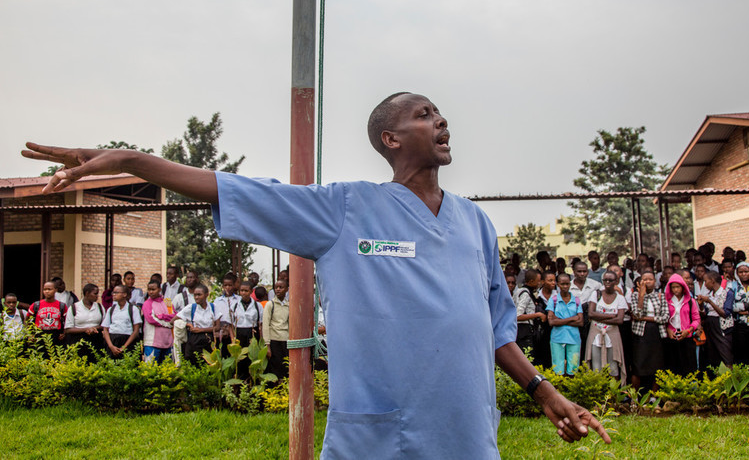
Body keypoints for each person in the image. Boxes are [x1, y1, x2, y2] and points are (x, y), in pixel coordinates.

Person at [23, 92, 610, 457]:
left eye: (441, 111)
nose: (442, 119)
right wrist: (130, 160)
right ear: (392, 137)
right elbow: (231, 187)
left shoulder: (475, 224)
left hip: (465, 433)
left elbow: (496, 329)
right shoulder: (345, 209)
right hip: (378, 437)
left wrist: (546, 392)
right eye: (424, 113)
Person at [629, 272, 667, 391]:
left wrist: (645, 318)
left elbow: (665, 317)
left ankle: (653, 397)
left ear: (655, 282)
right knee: (638, 367)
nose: (648, 282)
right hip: (641, 336)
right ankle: (635, 398)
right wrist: (642, 295)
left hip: (656, 334)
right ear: (640, 282)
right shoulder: (635, 295)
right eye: (645, 279)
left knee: (656, 366)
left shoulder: (661, 296)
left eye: (650, 279)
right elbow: (636, 313)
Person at [586, 271, 627, 383]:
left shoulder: (620, 298)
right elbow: (590, 314)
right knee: (596, 366)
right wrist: (611, 316)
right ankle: (598, 392)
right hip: (596, 334)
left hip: (612, 335)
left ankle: (612, 394)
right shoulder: (596, 294)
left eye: (610, 280)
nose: (607, 282)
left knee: (613, 367)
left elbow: (619, 320)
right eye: (605, 280)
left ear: (616, 282)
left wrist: (598, 317)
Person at [663, 273, 700, 376]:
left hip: (686, 337)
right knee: (673, 367)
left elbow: (696, 319)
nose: (676, 290)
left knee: (688, 367)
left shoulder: (690, 302)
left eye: (678, 287)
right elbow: (663, 318)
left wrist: (688, 331)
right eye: (673, 287)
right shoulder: (666, 301)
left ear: (683, 287)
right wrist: (668, 329)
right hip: (671, 337)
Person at [696, 271, 734, 372]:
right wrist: (701, 305)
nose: (705, 284)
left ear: (712, 281)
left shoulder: (727, 293)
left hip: (721, 326)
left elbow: (725, 313)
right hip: (710, 324)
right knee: (712, 355)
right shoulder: (709, 294)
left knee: (725, 354)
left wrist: (710, 302)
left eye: (706, 281)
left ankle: (730, 380)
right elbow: (705, 314)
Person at [175, 284, 221, 365]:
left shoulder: (213, 307)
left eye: (199, 295)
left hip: (209, 340)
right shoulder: (191, 308)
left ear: (207, 295)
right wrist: (188, 325)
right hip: (194, 340)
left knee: (209, 364)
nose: (196, 297)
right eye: (195, 295)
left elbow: (217, 327)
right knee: (194, 363)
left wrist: (201, 330)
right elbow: (174, 320)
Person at [547, 273, 583, 377]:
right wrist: (572, 318)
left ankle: (571, 392)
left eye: (567, 284)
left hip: (574, 338)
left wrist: (560, 320)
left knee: (573, 368)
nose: (565, 286)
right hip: (557, 338)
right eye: (562, 284)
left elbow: (580, 322)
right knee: (558, 369)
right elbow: (551, 322)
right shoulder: (553, 300)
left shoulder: (576, 300)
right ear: (558, 284)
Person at [64, 283, 105, 360]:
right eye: (95, 294)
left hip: (96, 340)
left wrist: (94, 328)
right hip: (79, 341)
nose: (97, 296)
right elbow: (68, 329)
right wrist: (86, 329)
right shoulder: (74, 307)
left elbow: (105, 325)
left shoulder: (99, 307)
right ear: (87, 293)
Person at [730, 261, 749, 368]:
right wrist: (747, 306)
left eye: (746, 271)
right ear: (736, 273)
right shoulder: (732, 286)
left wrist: (747, 310)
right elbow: (730, 306)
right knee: (740, 353)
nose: (743, 274)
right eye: (741, 272)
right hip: (739, 325)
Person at [101, 284, 143, 358]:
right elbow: (105, 329)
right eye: (113, 293)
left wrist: (124, 347)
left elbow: (136, 331)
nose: (114, 294)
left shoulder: (133, 309)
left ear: (124, 294)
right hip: (112, 340)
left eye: (116, 292)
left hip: (128, 341)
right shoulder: (111, 309)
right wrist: (111, 346)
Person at [141, 280, 176, 364]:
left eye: (153, 289)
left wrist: (162, 316)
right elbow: (151, 319)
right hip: (152, 343)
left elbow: (174, 316)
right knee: (150, 371)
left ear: (160, 289)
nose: (151, 292)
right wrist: (168, 323)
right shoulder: (146, 304)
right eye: (149, 289)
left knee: (167, 371)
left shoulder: (168, 302)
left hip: (168, 342)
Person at [27, 281, 67, 351]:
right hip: (39, 336)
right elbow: (27, 320)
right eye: (45, 289)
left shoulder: (62, 306)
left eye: (49, 289)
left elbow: (67, 321)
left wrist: (64, 333)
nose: (47, 291)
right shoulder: (36, 305)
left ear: (55, 290)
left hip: (56, 337)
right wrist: (30, 334)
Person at [263, 279, 290, 381]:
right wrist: (267, 345)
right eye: (276, 287)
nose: (278, 289)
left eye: (281, 287)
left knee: (285, 368)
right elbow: (265, 325)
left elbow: (290, 323)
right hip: (274, 341)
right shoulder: (270, 304)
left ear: (287, 289)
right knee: (275, 369)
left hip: (286, 341)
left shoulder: (289, 305)